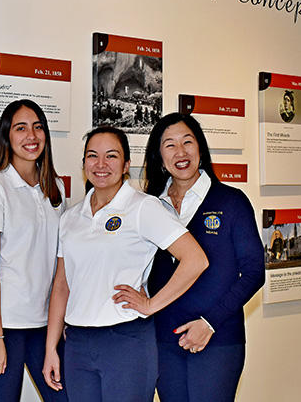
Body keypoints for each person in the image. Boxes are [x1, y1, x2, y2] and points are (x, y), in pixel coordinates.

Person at [42, 126, 208, 402]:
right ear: (84, 164)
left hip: (126, 342)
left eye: (112, 156)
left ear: (126, 164)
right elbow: (61, 286)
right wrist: (50, 349)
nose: (101, 164)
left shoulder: (143, 207)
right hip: (78, 346)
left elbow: (195, 259)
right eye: (92, 156)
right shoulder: (71, 218)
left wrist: (150, 304)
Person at [143, 113, 265, 402]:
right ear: (160, 156)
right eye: (170, 145)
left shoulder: (231, 201)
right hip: (164, 338)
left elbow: (254, 272)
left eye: (188, 142)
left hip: (218, 336)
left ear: (200, 149)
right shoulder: (149, 207)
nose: (181, 152)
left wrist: (209, 323)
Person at [0, 99, 68, 402]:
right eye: (21, 128)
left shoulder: (55, 187)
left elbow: (58, 263)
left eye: (38, 127)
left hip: (45, 323)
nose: (31, 136)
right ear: (7, 136)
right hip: (6, 325)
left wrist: (61, 322)